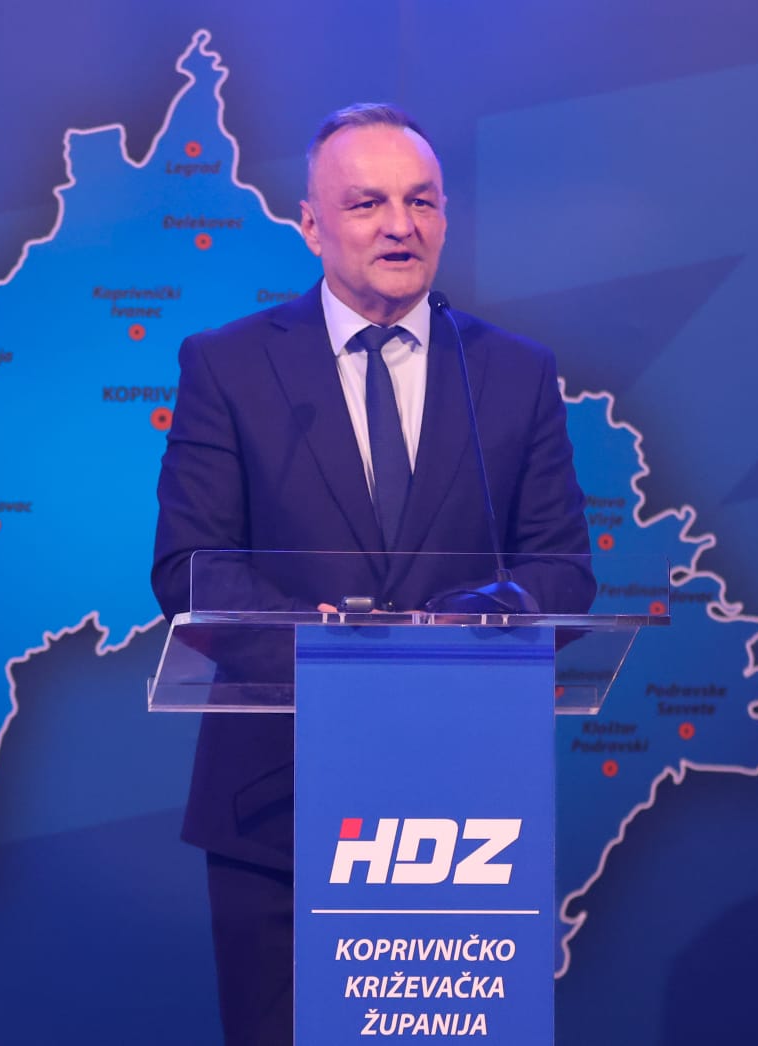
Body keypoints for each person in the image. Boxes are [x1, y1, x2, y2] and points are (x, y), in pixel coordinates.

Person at [150, 103, 593, 1044]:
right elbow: (191, 569)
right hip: (277, 808)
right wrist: (332, 661)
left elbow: (562, 569)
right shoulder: (229, 366)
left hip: (462, 816)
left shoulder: (514, 373)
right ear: (312, 225)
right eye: (367, 204)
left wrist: (491, 616)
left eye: (421, 201)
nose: (401, 225)